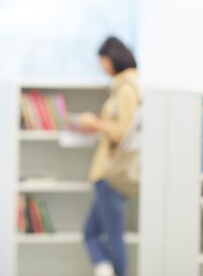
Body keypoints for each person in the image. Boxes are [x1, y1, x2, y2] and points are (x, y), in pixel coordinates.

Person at [76, 36, 141, 276]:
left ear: (112, 58)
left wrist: (95, 123)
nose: (102, 67)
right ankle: (105, 271)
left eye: (103, 61)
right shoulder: (125, 86)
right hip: (110, 173)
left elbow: (123, 133)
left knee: (112, 238)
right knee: (91, 233)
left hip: (113, 174)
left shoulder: (126, 89)